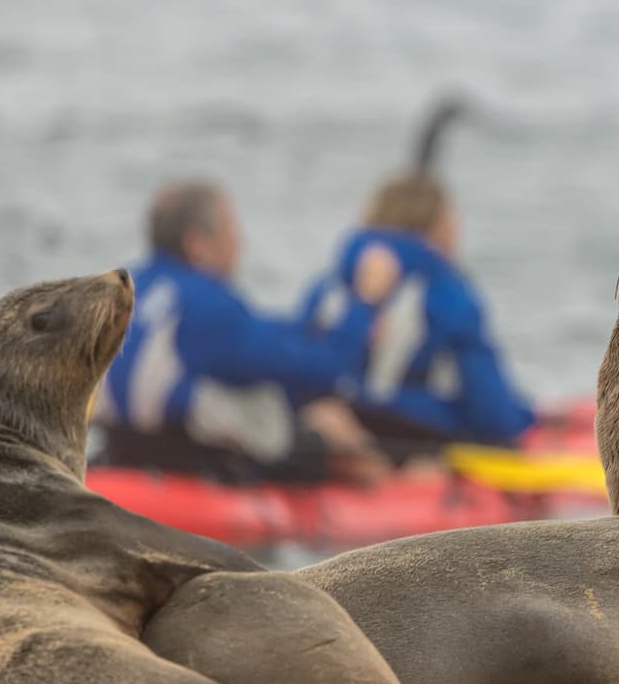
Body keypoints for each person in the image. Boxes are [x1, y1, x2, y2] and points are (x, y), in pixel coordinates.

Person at [95, 179, 404, 486]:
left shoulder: (125, 290)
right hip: (190, 462)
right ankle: (394, 496)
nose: (238, 242)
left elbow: (255, 339)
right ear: (197, 244)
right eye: (230, 230)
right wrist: (365, 304)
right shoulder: (206, 304)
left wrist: (311, 329)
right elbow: (327, 369)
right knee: (330, 419)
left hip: (120, 449)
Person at [298, 171, 536, 450]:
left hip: (328, 419)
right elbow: (491, 410)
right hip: (408, 435)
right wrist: (521, 425)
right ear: (440, 228)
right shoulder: (446, 293)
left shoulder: (327, 288)